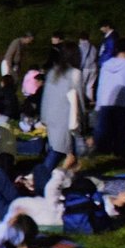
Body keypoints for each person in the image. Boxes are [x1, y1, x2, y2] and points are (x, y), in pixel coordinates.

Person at [35, 40, 83, 196]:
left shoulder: (53, 73)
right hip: (65, 116)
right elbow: (78, 98)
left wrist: (44, 117)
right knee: (59, 151)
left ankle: (67, 178)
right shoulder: (74, 73)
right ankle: (41, 181)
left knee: (61, 149)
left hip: (51, 115)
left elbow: (46, 96)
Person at [94, 37, 125, 158]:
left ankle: (103, 152)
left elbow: (101, 84)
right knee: (121, 131)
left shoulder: (106, 65)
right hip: (123, 102)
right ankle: (119, 153)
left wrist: (98, 103)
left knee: (106, 129)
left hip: (106, 100)